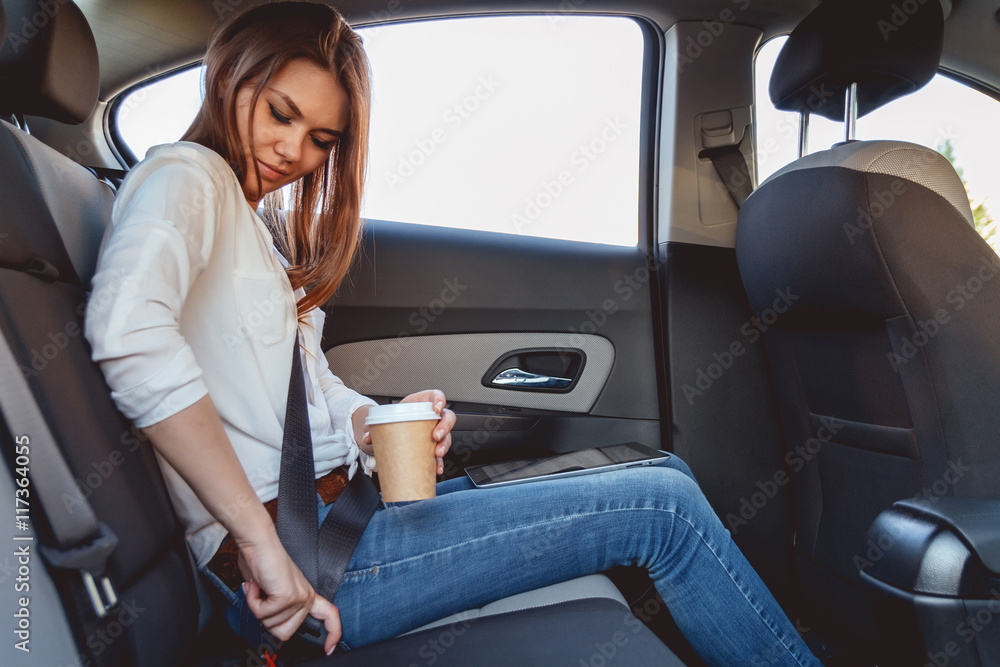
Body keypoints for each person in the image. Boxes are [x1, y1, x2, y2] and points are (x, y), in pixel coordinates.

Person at [83, 2, 821, 665]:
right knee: (664, 510)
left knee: (667, 474)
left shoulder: (261, 234)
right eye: (278, 113)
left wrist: (377, 422)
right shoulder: (184, 176)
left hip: (340, 517)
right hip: (295, 558)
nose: (292, 151)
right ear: (230, 77)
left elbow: (311, 390)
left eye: (319, 138)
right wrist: (258, 542)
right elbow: (128, 334)